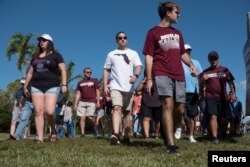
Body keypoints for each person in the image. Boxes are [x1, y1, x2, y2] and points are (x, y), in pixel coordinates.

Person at [143, 2, 198, 154]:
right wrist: (149, 78)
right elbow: (149, 57)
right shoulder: (152, 32)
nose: (178, 15)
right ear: (168, 12)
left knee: (179, 109)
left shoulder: (178, 33)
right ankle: (171, 144)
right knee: (167, 104)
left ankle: (167, 130)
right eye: (176, 12)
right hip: (161, 72)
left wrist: (191, 65)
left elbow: (182, 53)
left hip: (178, 74)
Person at [23, 34, 67, 143]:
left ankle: (53, 131)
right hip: (36, 86)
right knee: (38, 112)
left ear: (50, 42)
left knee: (50, 111)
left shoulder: (56, 55)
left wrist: (64, 84)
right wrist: (25, 86)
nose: (41, 42)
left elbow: (63, 70)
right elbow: (30, 73)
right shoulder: (36, 56)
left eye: (44, 40)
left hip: (52, 86)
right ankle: (40, 138)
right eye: (40, 40)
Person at [103, 31, 142, 145]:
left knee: (127, 112)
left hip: (129, 87)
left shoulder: (133, 53)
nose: (122, 39)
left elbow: (139, 66)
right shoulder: (111, 54)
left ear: (127, 39)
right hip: (115, 85)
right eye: (120, 38)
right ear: (116, 40)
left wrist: (135, 76)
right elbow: (106, 69)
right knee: (116, 108)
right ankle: (115, 134)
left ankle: (126, 135)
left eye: (124, 37)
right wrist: (105, 85)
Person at [200, 51, 235, 144]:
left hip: (223, 98)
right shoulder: (205, 72)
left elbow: (231, 82)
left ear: (218, 59)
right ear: (208, 60)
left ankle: (223, 133)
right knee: (213, 116)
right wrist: (202, 81)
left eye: (215, 58)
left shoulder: (225, 70)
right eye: (211, 59)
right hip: (210, 97)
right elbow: (201, 84)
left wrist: (233, 93)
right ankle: (214, 138)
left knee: (224, 118)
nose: (213, 60)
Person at [177, 44, 203, 143]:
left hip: (193, 92)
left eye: (189, 50)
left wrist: (201, 92)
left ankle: (191, 136)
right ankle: (178, 128)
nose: (187, 52)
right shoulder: (178, 62)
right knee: (179, 112)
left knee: (192, 115)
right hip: (180, 90)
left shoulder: (196, 62)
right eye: (185, 50)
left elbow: (201, 78)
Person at [74, 67, 100, 138]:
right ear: (84, 73)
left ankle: (95, 128)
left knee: (90, 117)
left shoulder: (94, 80)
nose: (89, 73)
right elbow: (78, 93)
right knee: (82, 118)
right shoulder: (80, 82)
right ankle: (82, 134)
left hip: (91, 101)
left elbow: (97, 91)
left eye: (90, 72)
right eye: (88, 72)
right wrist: (75, 104)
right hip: (82, 101)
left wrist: (98, 101)